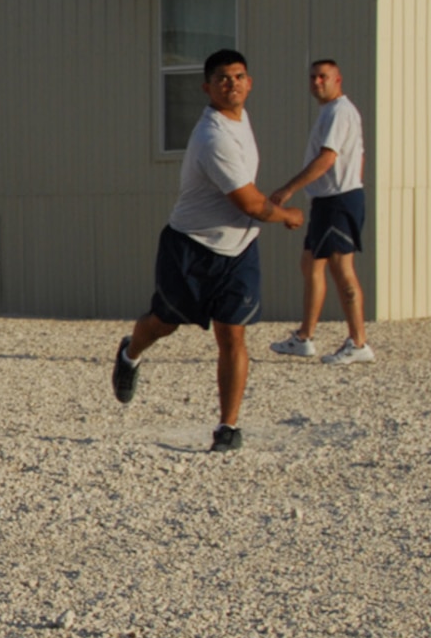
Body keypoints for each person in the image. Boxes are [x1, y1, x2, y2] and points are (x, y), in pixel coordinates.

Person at [111, 49, 304, 451]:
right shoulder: (212, 136)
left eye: (238, 76)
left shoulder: (240, 120)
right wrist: (287, 215)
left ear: (249, 83)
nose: (231, 83)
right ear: (206, 87)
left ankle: (227, 428)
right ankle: (130, 353)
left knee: (232, 335)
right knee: (164, 323)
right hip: (192, 248)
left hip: (240, 249)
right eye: (222, 78)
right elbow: (249, 204)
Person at [269, 58, 374, 363]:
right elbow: (360, 156)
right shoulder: (328, 112)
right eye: (313, 77)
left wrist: (289, 189)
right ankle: (305, 337)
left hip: (339, 200)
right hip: (328, 200)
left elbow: (327, 158)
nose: (317, 82)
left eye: (323, 77)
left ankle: (358, 343)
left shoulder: (341, 112)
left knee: (342, 269)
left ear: (338, 79)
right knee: (311, 264)